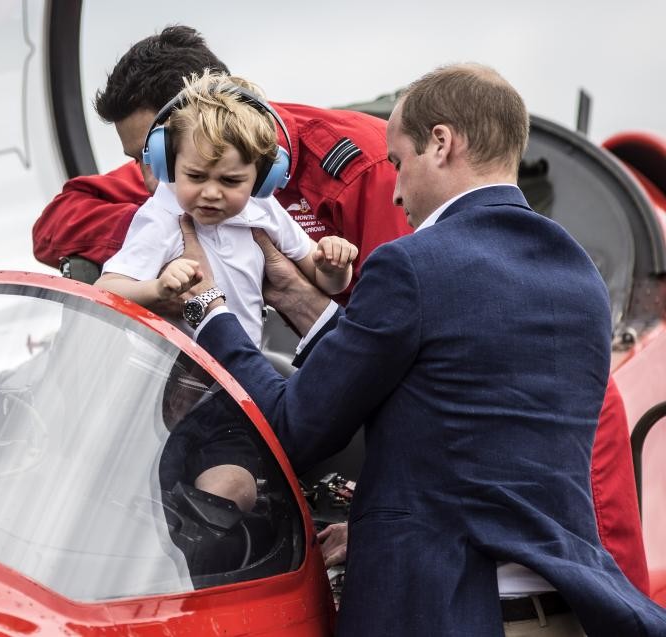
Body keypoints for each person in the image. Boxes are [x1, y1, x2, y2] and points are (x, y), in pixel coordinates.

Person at [180, 64, 666, 635]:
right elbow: (469, 429)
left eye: (397, 161)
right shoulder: (578, 277)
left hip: (446, 615)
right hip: (564, 613)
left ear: (441, 143)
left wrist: (208, 310)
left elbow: (295, 423)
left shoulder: (411, 264)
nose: (395, 187)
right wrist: (296, 295)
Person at [32, 25, 410, 302]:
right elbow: (54, 225)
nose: (151, 180)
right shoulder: (176, 180)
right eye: (145, 159)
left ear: (207, 113)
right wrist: (165, 234)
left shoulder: (368, 165)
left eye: (153, 152)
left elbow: (394, 317)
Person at [96, 71, 357, 346]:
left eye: (230, 181)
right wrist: (157, 289)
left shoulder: (263, 208)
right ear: (168, 164)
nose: (210, 193)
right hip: (182, 375)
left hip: (242, 369)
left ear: (264, 179)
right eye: (195, 176)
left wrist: (335, 266)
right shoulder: (162, 218)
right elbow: (105, 291)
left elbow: (327, 281)